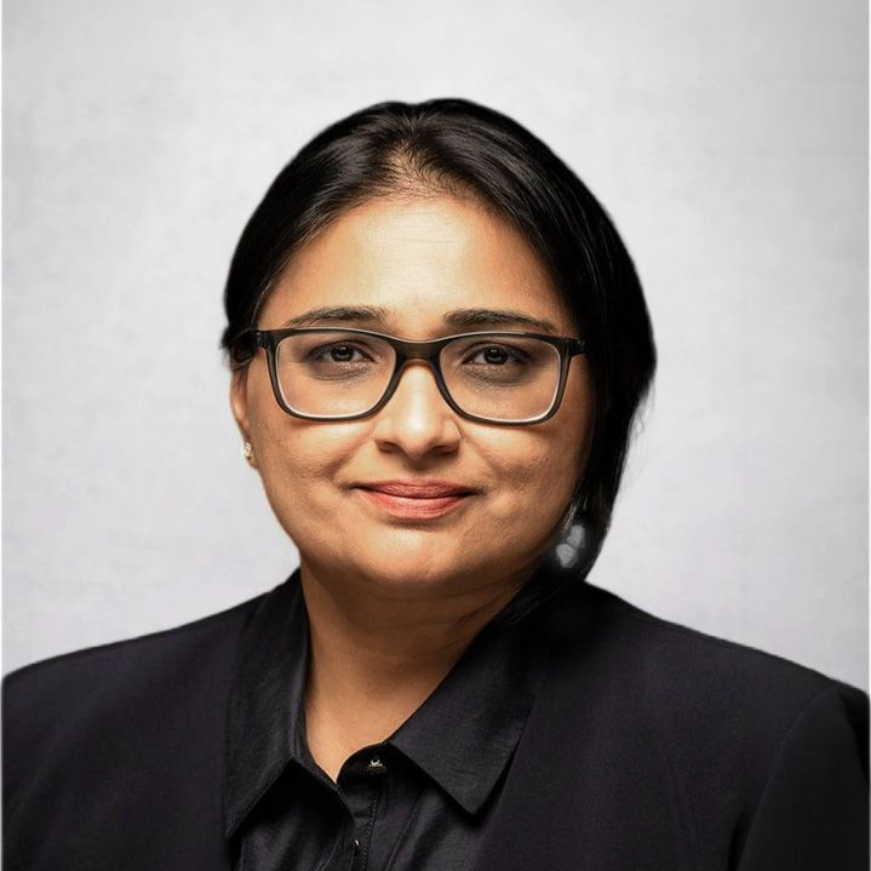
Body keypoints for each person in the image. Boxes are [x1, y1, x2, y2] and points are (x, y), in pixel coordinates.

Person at [3, 98, 867, 871]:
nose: (416, 430)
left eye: (495, 357)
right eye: (340, 352)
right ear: (244, 397)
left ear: (597, 399)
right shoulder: (37, 740)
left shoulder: (768, 754)